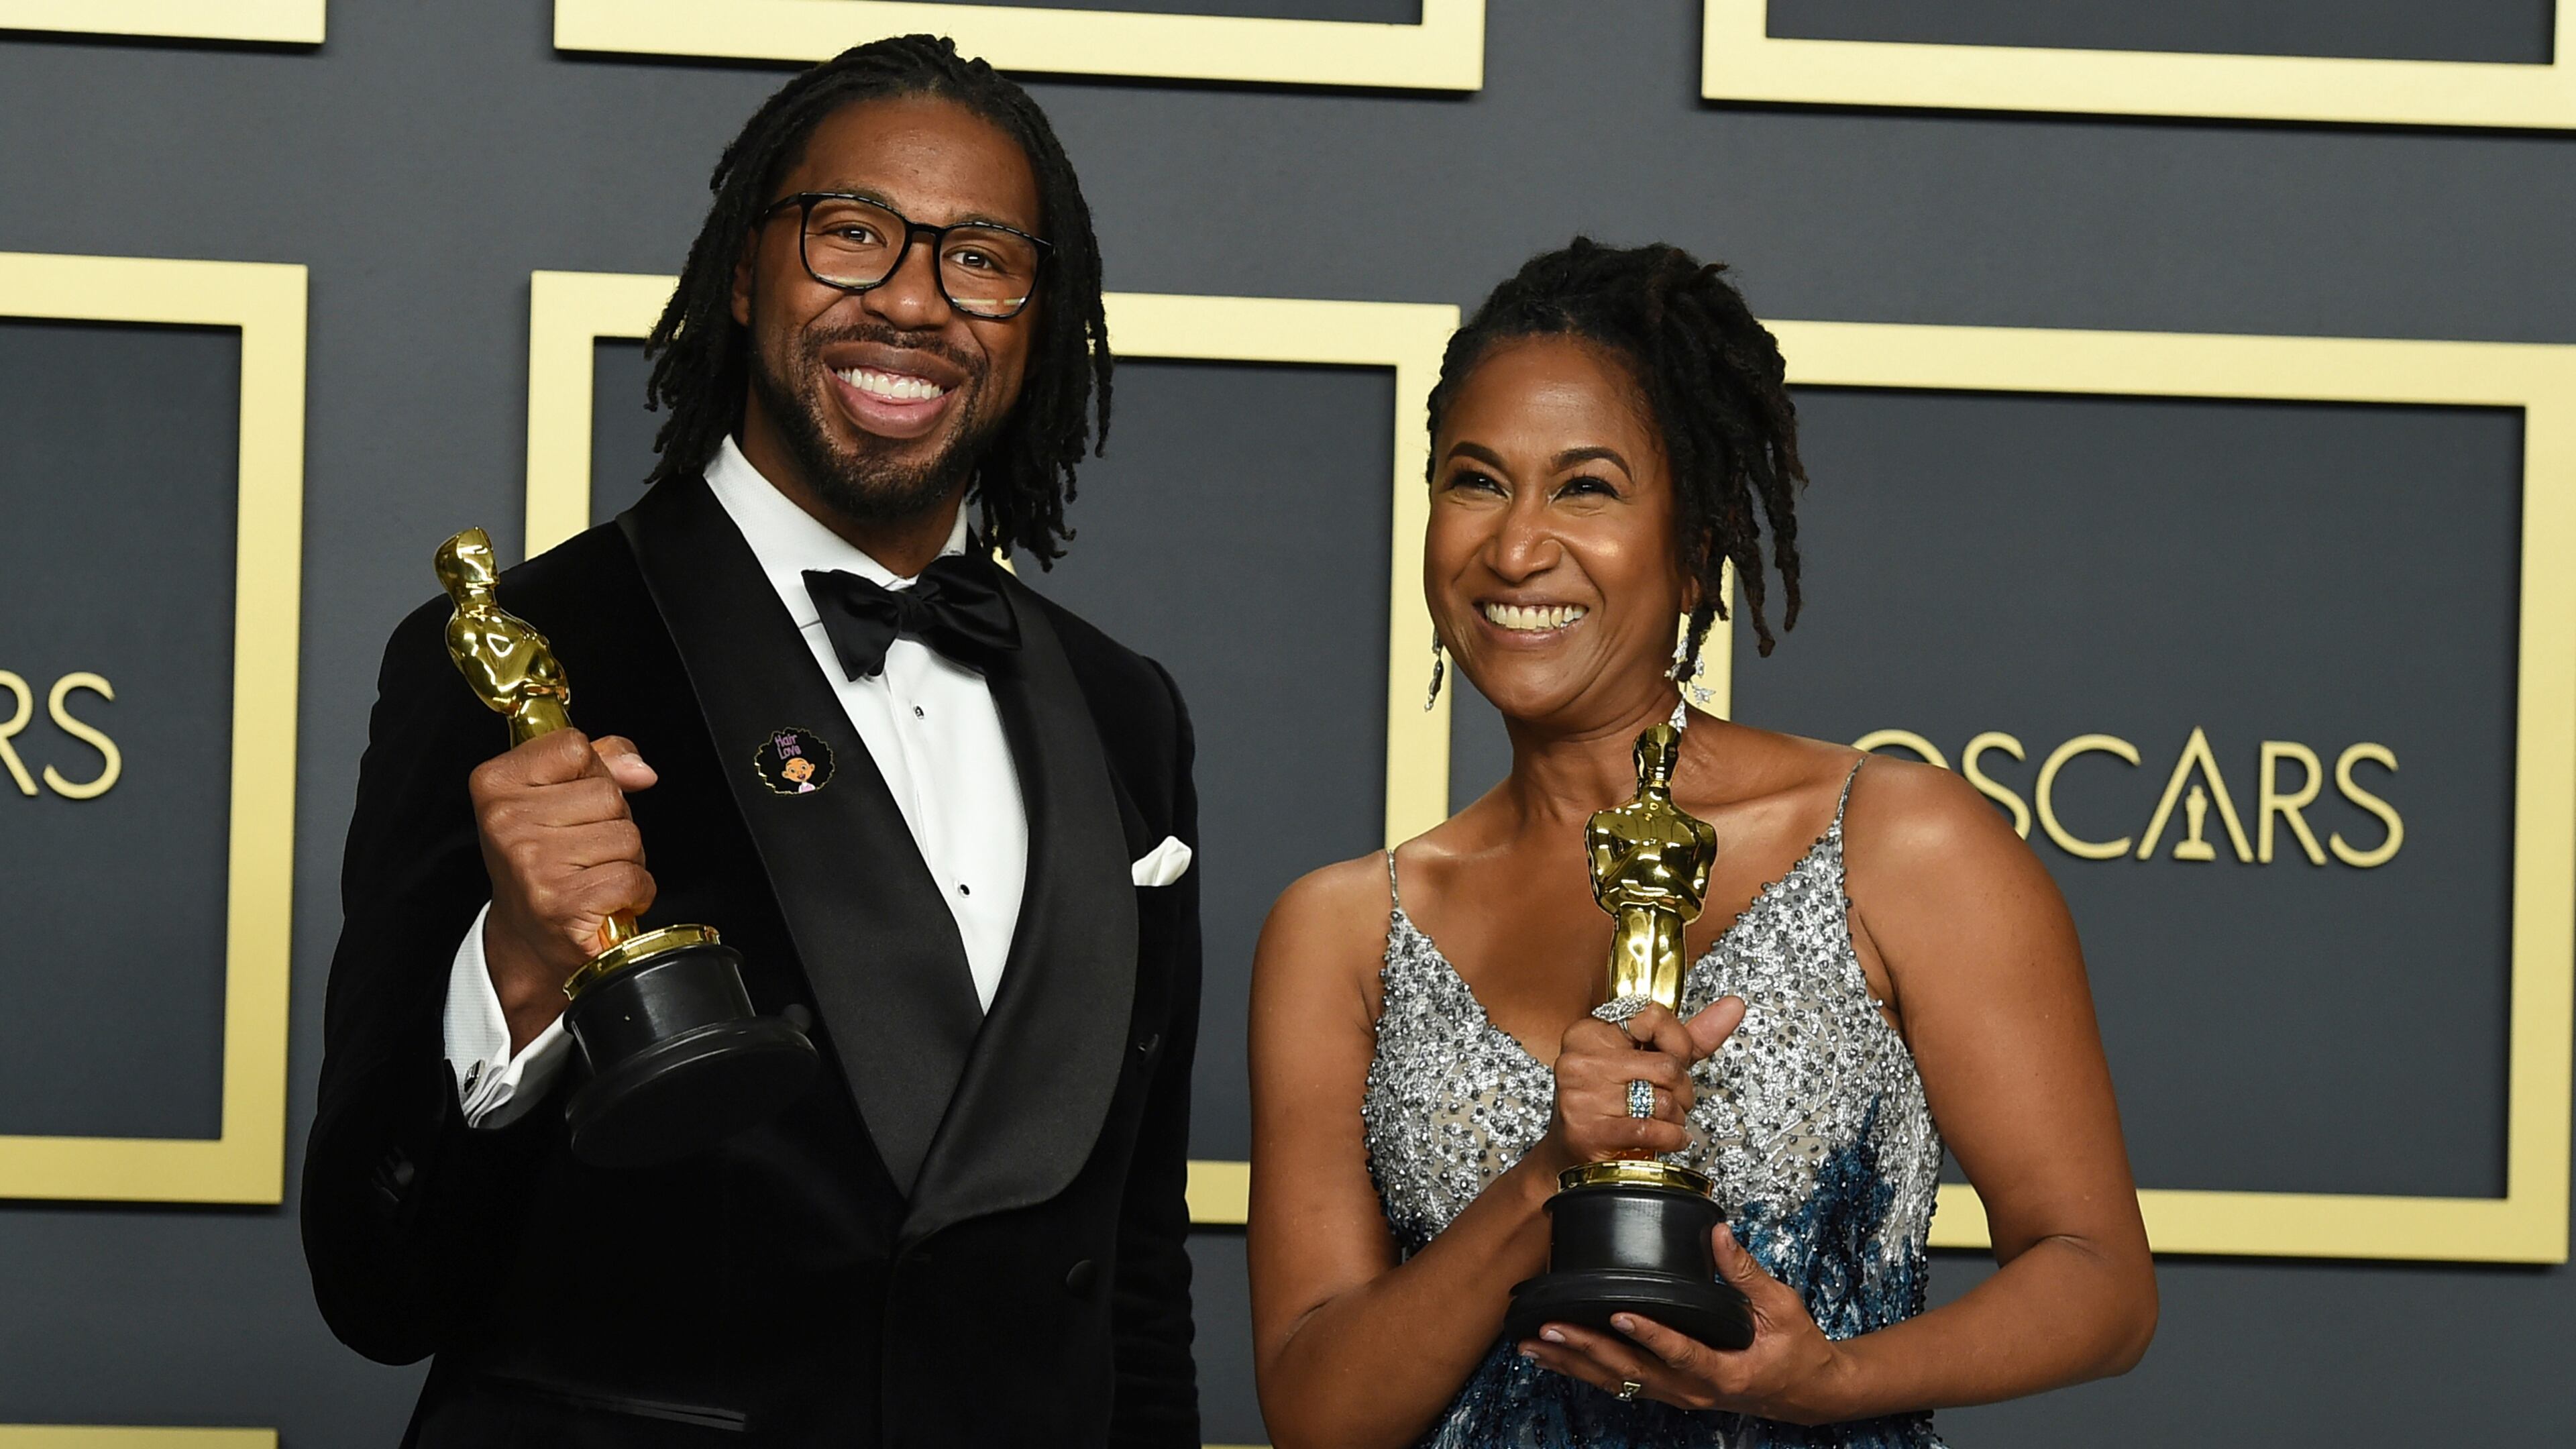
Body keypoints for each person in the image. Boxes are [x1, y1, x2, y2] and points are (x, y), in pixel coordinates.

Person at [303, 36, 1201, 1446]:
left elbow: (1134, 1277)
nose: (912, 300)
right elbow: (372, 1283)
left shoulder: (1126, 709)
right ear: (742, 268)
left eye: (979, 257)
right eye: (852, 235)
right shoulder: (527, 656)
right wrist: (520, 975)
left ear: (1041, 318)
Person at [1246, 239, 2155, 1449]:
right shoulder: (1345, 927)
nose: (1516, 549)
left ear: (1698, 535)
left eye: (1587, 487)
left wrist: (1821, 1380)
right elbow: (1319, 1415)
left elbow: (2099, 1280)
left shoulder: (1898, 843)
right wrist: (1547, 1176)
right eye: (1476, 481)